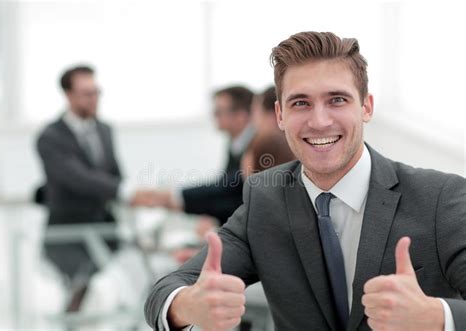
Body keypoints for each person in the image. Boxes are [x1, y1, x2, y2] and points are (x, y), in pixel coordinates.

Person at [144, 32, 466, 330]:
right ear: (280, 115)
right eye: (301, 103)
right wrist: (187, 305)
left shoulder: (439, 198)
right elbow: (167, 289)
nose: (319, 121)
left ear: (366, 106)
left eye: (337, 100)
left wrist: (437, 315)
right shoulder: (265, 198)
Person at [36, 65, 149, 307]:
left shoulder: (105, 130)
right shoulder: (49, 137)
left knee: (127, 286)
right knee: (77, 296)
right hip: (68, 234)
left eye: (96, 92)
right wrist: (125, 191)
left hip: (105, 231)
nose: (94, 98)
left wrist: (133, 197)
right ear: (68, 95)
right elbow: (79, 178)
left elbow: (115, 174)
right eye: (87, 93)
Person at [142, 86, 255, 227]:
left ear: (241, 116)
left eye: (218, 112)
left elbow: (231, 188)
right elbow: (223, 187)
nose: (214, 116)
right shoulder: (234, 143)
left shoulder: (257, 146)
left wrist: (175, 197)